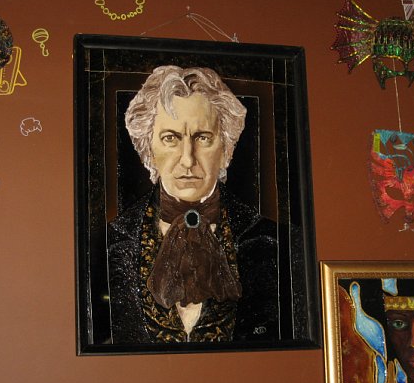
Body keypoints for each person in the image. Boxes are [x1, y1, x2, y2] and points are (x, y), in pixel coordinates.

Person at [107, 65, 284, 343]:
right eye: (170, 138)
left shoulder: (273, 241)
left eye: (202, 138)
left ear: (226, 149)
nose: (188, 159)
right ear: (148, 148)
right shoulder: (110, 243)